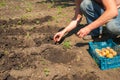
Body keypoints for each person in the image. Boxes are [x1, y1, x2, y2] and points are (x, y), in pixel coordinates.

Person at [53, 0, 120, 42]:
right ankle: (95, 33)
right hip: (105, 9)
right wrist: (63, 31)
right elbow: (77, 18)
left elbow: (113, 12)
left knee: (112, 27)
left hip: (117, 9)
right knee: (85, 4)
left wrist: (88, 28)